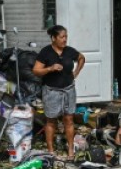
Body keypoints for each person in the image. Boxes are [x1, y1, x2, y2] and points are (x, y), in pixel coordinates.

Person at [32, 25, 85, 157]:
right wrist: (50, 68)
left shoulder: (69, 51)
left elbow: (81, 58)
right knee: (51, 120)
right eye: (62, 37)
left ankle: (71, 149)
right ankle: (51, 150)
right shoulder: (45, 52)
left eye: (66, 36)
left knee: (69, 119)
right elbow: (36, 71)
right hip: (51, 91)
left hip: (68, 90)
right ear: (53, 38)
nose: (65, 39)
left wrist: (76, 73)